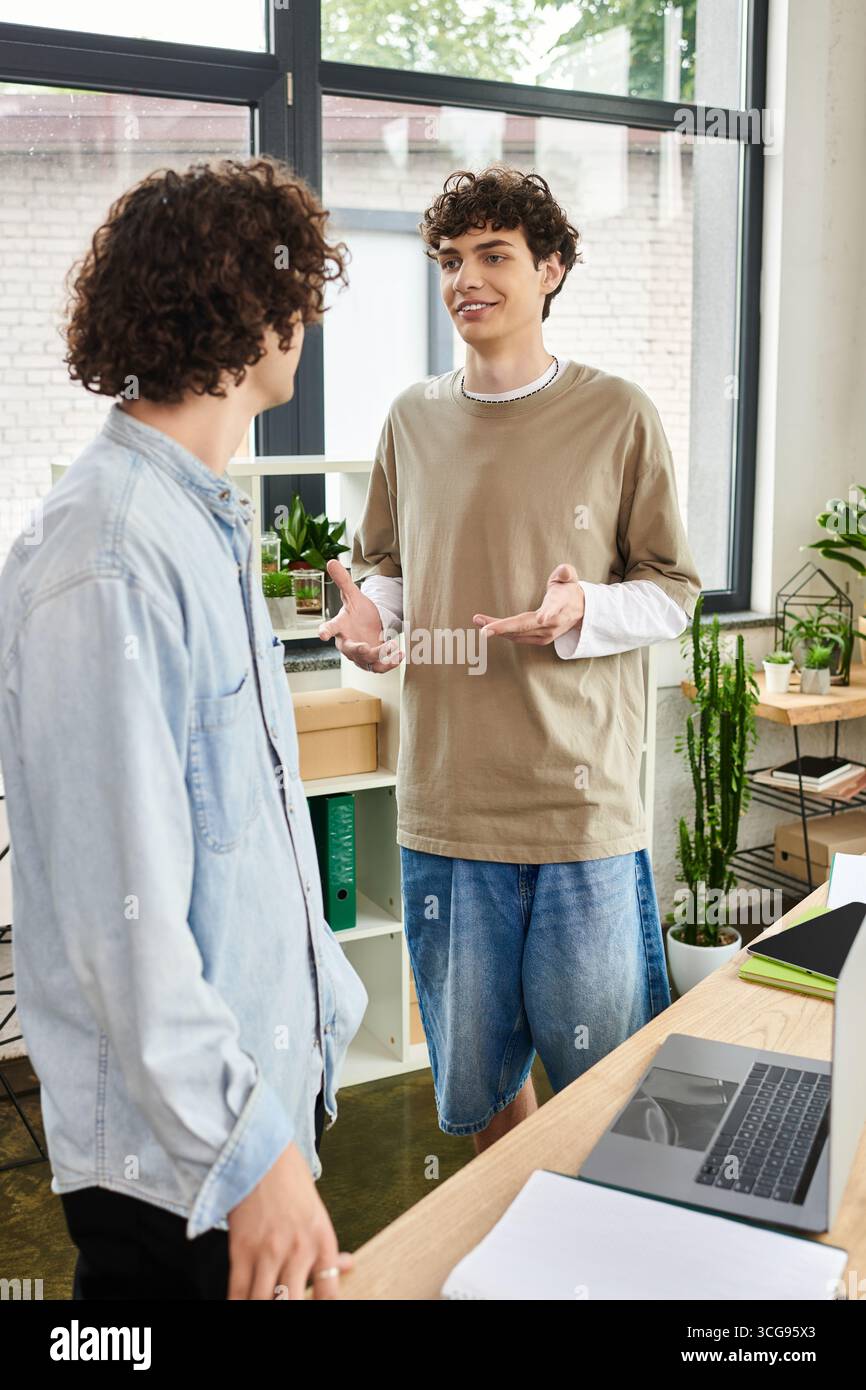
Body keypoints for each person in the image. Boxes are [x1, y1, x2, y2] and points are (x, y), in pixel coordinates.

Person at [0, 156, 368, 1300]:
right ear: (235, 305)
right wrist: (250, 1156)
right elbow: (126, 915)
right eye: (292, 287)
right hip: (179, 1168)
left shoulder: (199, 518)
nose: (305, 313)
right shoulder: (107, 556)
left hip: (248, 1119)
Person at [319, 165, 702, 1153]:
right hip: (446, 811)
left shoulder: (616, 413)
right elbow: (393, 566)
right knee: (482, 1097)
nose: (465, 279)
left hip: (578, 813)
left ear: (550, 271)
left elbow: (671, 588)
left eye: (493, 255)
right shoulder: (411, 417)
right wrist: (372, 614)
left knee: (603, 1092)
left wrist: (582, 609)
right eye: (449, 260)